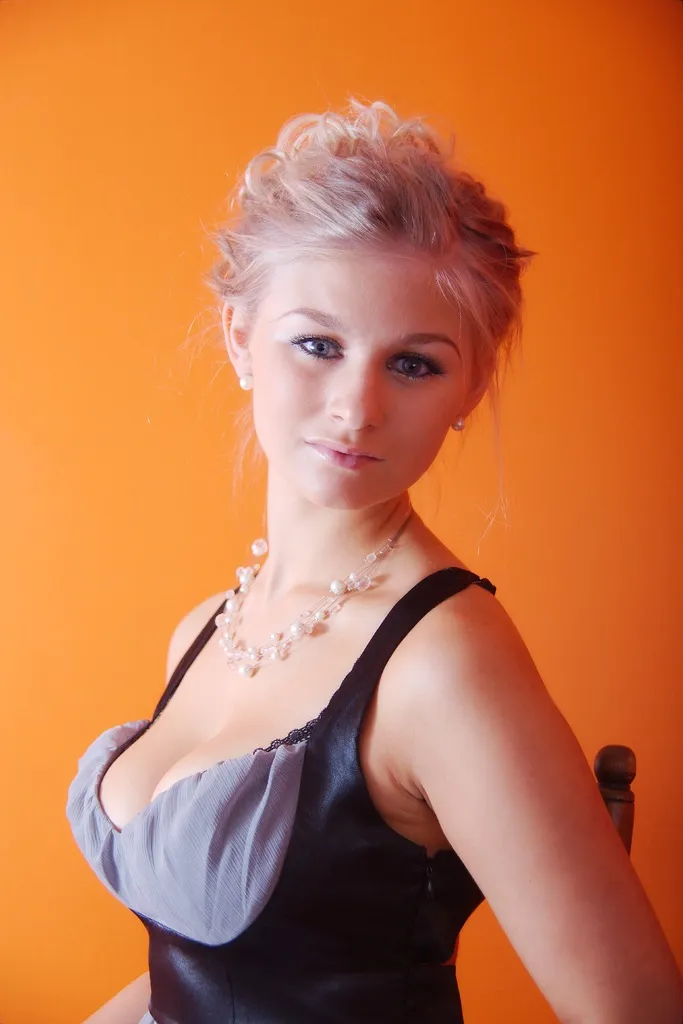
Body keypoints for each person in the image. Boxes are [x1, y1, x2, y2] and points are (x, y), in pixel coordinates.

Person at [66, 98, 683, 1024]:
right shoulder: (206, 630)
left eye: (414, 365)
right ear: (240, 338)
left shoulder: (443, 664)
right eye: (317, 345)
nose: (356, 409)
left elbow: (634, 1010)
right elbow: (206, 973)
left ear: (471, 382)